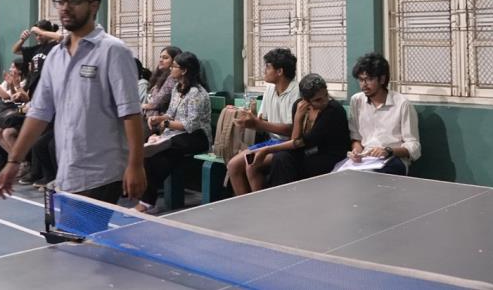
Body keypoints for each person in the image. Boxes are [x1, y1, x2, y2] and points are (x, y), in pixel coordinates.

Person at [0, 0, 146, 206]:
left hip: (102, 172)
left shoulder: (113, 51)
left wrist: (136, 165)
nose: (65, 8)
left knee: (78, 229)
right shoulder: (56, 55)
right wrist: (13, 161)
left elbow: (131, 113)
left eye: (74, 1)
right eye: (60, 1)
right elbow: (39, 113)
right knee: (72, 230)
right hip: (67, 169)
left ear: (93, 6)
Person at [136, 52, 212, 212]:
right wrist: (158, 119)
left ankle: (146, 203)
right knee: (156, 156)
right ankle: (146, 201)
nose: (171, 69)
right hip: (178, 136)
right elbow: (171, 113)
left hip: (197, 136)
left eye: (174, 66)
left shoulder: (197, 93)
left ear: (184, 70)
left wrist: (166, 123)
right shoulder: (177, 89)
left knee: (168, 148)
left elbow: (191, 124)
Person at [226, 48, 300, 196]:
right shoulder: (270, 88)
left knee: (252, 165)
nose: (264, 70)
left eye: (267, 67)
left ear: (279, 71)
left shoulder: (296, 91)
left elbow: (291, 129)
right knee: (233, 165)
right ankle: (246, 205)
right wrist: (248, 120)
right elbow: (263, 120)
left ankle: (261, 206)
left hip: (288, 145)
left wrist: (257, 124)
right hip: (271, 142)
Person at [259, 73, 350, 188]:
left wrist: (267, 150)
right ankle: (281, 195)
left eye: (326, 95)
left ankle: (291, 194)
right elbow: (294, 140)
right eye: (318, 100)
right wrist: (298, 118)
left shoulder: (333, 110)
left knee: (291, 161)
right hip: (309, 151)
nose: (324, 101)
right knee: (281, 158)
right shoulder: (298, 106)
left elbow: (301, 143)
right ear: (306, 101)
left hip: (329, 154)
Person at [347, 52, 421, 175]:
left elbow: (414, 146)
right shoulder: (356, 100)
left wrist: (388, 151)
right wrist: (356, 152)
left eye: (369, 79)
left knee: (372, 175)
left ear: (382, 79)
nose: (364, 85)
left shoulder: (402, 104)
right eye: (361, 80)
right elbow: (356, 138)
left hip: (394, 158)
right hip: (366, 159)